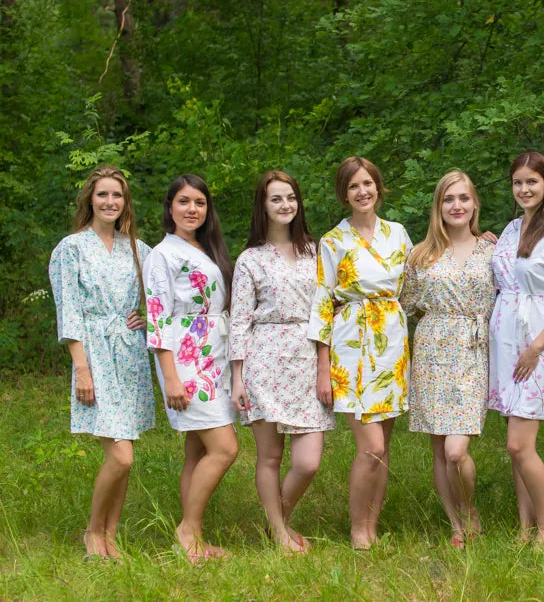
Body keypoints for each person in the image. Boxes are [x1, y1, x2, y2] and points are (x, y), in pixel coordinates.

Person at [48, 166, 155, 560]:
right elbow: (70, 311)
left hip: (129, 354)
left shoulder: (138, 249)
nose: (110, 202)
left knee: (126, 457)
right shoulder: (71, 248)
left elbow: (161, 292)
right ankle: (93, 532)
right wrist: (81, 368)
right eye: (103, 195)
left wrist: (147, 318)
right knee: (120, 455)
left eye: (117, 196)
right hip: (93, 353)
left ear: (125, 203)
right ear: (89, 200)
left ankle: (110, 536)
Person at [308, 156, 411, 550]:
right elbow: (321, 303)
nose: (362, 191)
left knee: (383, 450)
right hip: (350, 346)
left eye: (367, 183)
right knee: (372, 447)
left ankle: (372, 525)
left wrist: (479, 237)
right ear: (344, 194)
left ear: (378, 187)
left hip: (391, 345)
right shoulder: (333, 241)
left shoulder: (398, 233)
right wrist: (322, 366)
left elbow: (419, 275)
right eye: (353, 186)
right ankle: (356, 529)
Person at [230, 171, 335, 553]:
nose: (285, 205)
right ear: (263, 206)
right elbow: (240, 318)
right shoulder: (250, 259)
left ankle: (279, 519)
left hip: (306, 356)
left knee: (308, 461)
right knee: (270, 456)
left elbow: (327, 308)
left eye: (290, 197)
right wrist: (237, 377)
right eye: (276, 199)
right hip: (264, 358)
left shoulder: (316, 250)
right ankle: (278, 533)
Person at [488, 151, 544, 551]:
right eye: (517, 182)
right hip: (504, 334)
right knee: (516, 441)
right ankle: (524, 528)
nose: (524, 189)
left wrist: (536, 347)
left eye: (532, 182)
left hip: (538, 339)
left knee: (519, 443)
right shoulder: (510, 229)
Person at [144, 173, 239, 563]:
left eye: (199, 202)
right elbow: (157, 317)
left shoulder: (205, 248)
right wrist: (169, 377)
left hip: (213, 355)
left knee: (196, 452)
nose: (192, 209)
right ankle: (187, 530)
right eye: (183, 201)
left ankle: (193, 538)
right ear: (170, 207)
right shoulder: (162, 254)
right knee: (225, 448)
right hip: (185, 362)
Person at [400, 170, 495, 549]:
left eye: (464, 198)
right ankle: (456, 524)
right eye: (448, 199)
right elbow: (404, 305)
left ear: (474, 204)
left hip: (473, 351)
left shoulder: (493, 249)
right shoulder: (421, 255)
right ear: (438, 207)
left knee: (457, 450)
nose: (457, 205)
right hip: (432, 350)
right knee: (439, 448)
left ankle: (471, 511)